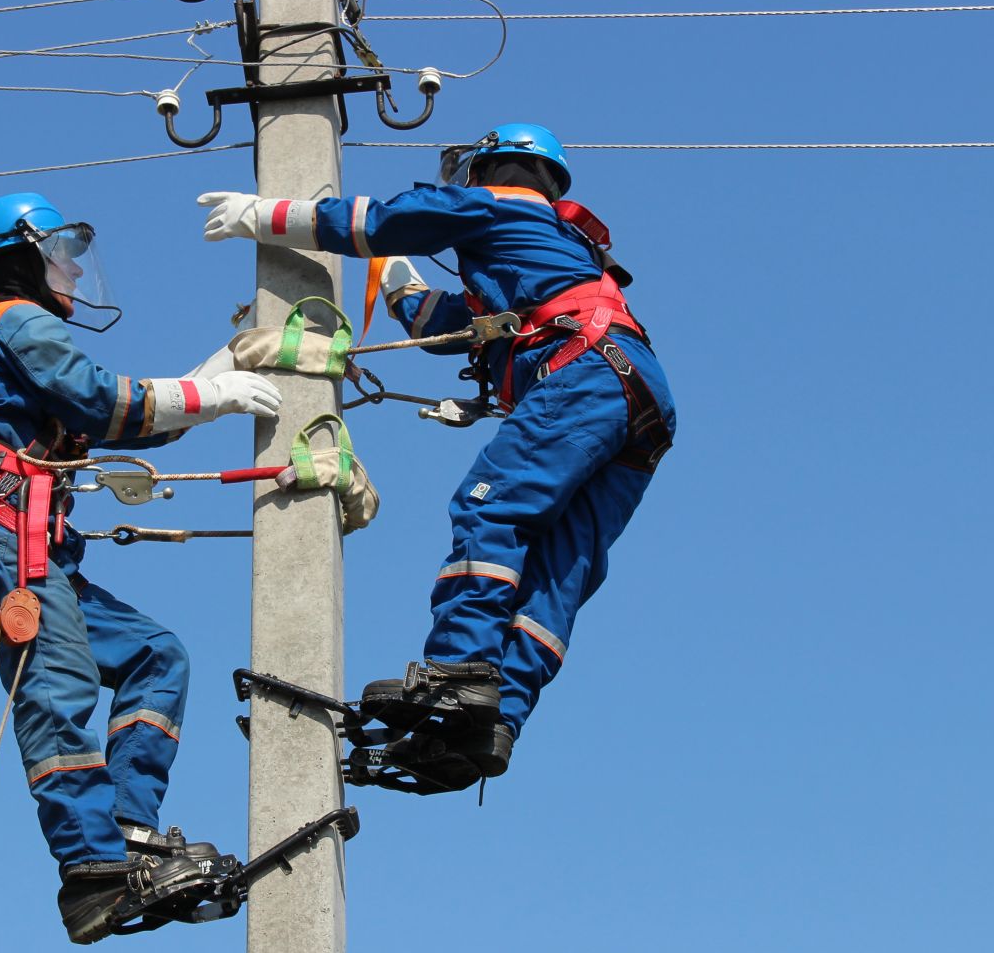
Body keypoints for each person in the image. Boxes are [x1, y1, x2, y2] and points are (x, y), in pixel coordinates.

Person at [197, 124, 675, 794]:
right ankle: (495, 720)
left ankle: (459, 673)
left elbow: (383, 220)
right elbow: (440, 327)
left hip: (586, 373)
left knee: (490, 506)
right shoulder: (550, 251)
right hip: (637, 398)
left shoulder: (497, 204)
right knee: (560, 569)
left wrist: (266, 216)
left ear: (495, 167)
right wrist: (396, 282)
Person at [0, 192, 280, 941]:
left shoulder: (22, 342)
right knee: (58, 687)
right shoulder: (14, 322)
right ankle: (91, 872)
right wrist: (209, 393)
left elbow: (117, 424)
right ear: (22, 257)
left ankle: (126, 832)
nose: (77, 269)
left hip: (26, 536)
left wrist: (217, 373)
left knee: (157, 656)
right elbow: (105, 403)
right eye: (63, 253)